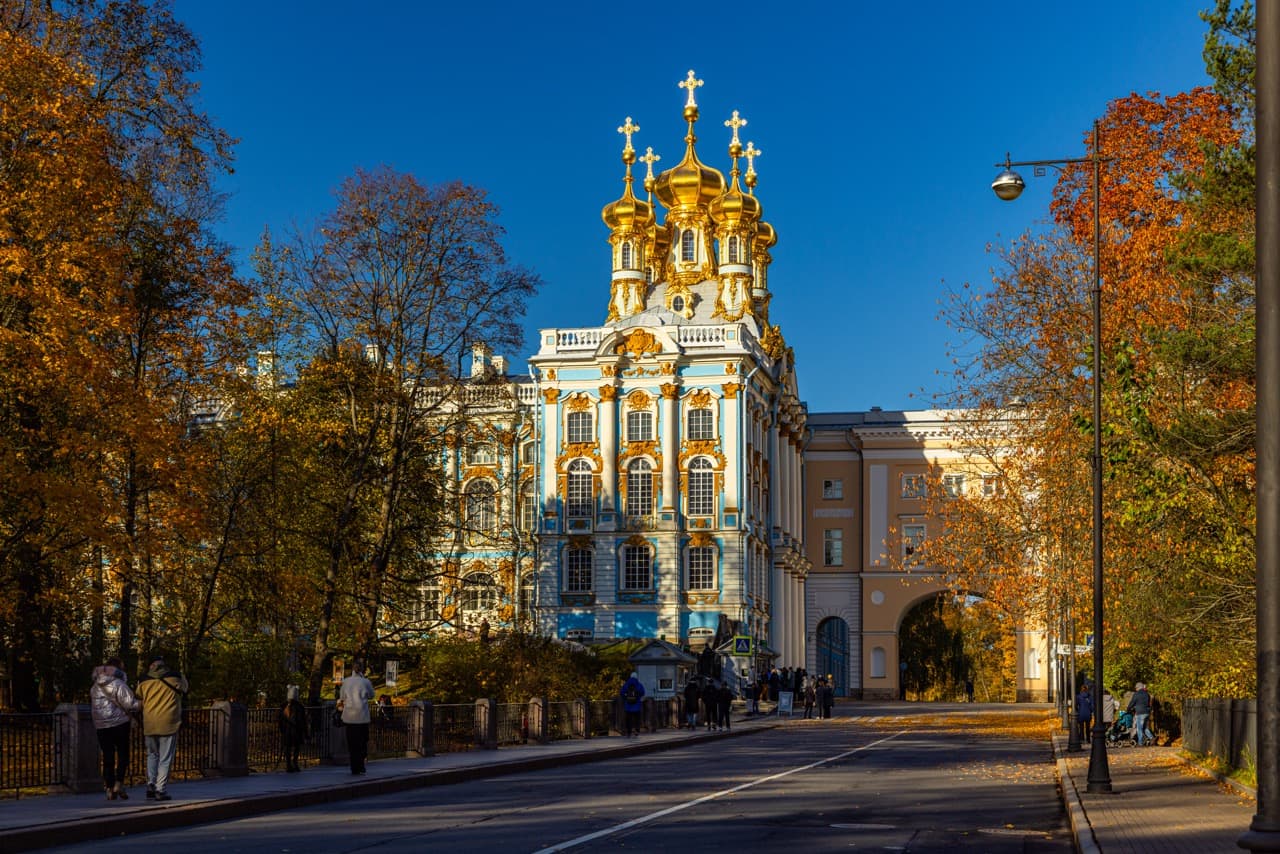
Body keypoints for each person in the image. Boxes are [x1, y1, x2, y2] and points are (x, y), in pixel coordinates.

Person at [136, 655, 189, 802]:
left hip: (150, 721)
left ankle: (150, 785)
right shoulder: (176, 676)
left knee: (152, 755)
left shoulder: (143, 679)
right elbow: (185, 689)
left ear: (151, 665)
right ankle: (161, 789)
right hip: (169, 722)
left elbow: (139, 695)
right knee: (165, 758)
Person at [90, 656, 140, 800]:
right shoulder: (119, 684)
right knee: (123, 754)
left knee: (108, 756)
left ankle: (109, 788)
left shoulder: (95, 686)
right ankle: (119, 782)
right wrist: (142, 703)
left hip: (101, 726)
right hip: (119, 724)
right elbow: (130, 704)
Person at [339, 661, 375, 774]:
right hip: (362, 717)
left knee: (352, 743)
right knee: (362, 742)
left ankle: (354, 766)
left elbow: (342, 696)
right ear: (362, 670)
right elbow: (372, 695)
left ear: (352, 669)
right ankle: (361, 764)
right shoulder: (365, 682)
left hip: (349, 717)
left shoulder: (346, 681)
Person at [278, 685, 308, 773]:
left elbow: (280, 720)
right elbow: (302, 721)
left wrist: (282, 730)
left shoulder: (283, 706)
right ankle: (295, 763)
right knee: (296, 747)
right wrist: (305, 732)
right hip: (296, 731)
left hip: (287, 731)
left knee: (288, 747)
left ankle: (288, 764)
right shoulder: (300, 707)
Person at [620, 671, 645, 737]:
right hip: (637, 705)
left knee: (628, 719)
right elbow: (643, 692)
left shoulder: (626, 684)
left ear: (630, 677)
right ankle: (636, 730)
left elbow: (622, 692)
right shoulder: (639, 684)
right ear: (636, 677)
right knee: (637, 719)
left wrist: (626, 697)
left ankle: (629, 732)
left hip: (628, 705)